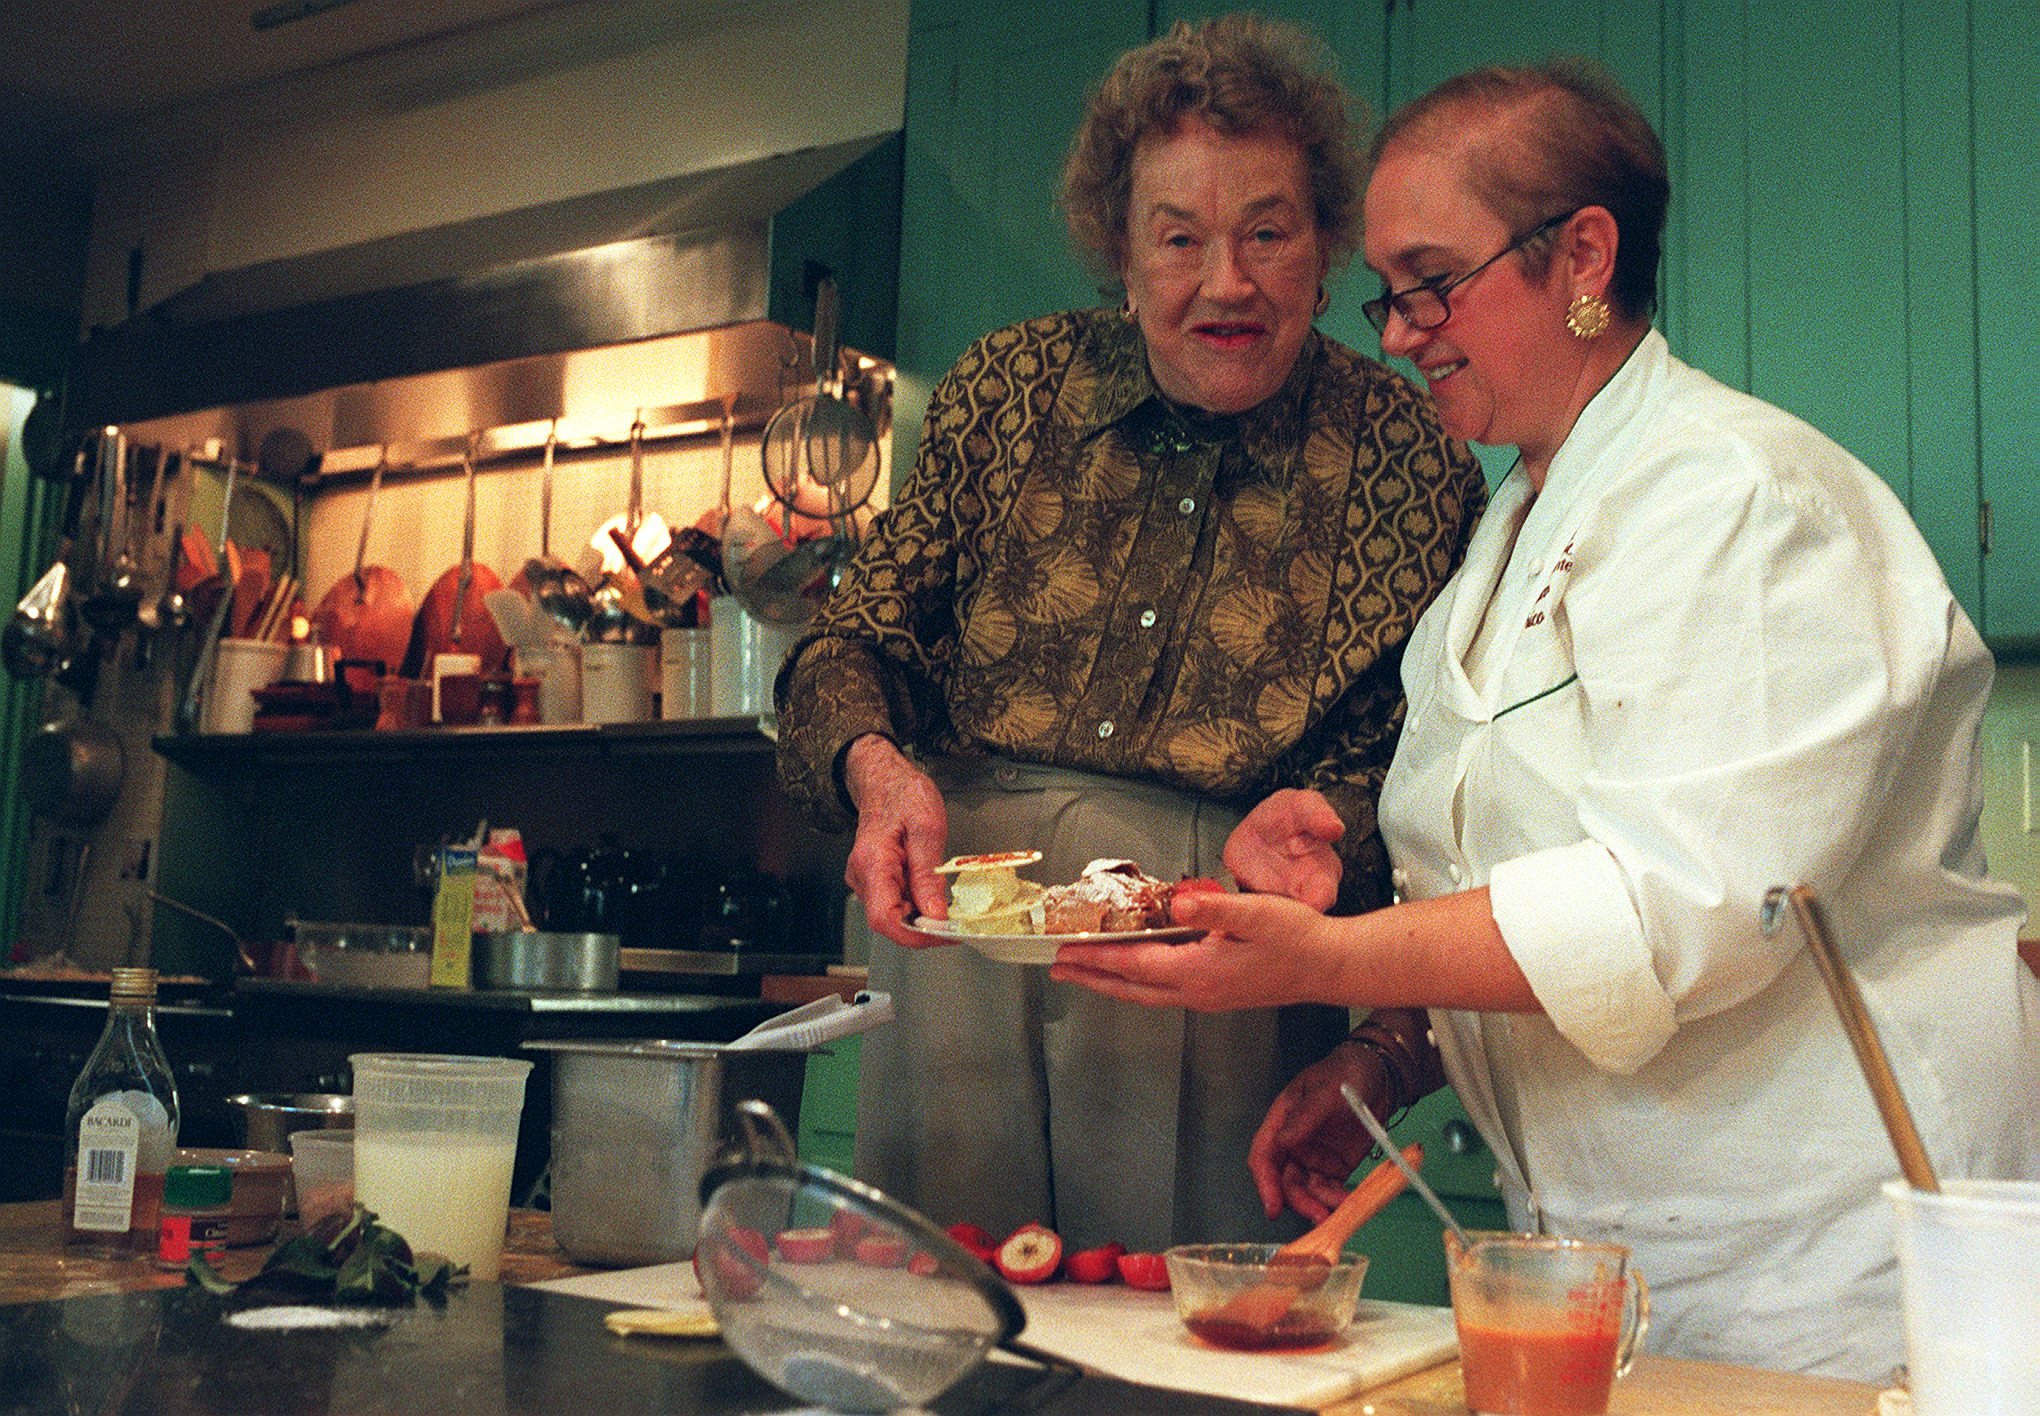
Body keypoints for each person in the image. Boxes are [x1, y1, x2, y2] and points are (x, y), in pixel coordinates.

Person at [1052, 58, 2040, 1378]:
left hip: (1828, 1259)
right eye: (1389, 292)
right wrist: (1393, 1058)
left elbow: (1673, 915)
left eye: (1431, 281)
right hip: (1602, 1256)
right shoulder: (1509, 532)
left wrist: (1322, 964)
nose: (1398, 330)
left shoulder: (1739, 501)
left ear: (1583, 254)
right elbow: (1524, 888)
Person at [773, 15, 1486, 1252]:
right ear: (1120, 250)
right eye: (1179, 239)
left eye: (1268, 232)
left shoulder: (1409, 457)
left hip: (1219, 952)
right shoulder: (1006, 392)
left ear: (1325, 245)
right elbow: (853, 638)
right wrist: (876, 772)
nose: (1227, 281)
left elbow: (1426, 758)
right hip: (956, 931)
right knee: (943, 1310)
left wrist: (1334, 827)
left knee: (1182, 1329)